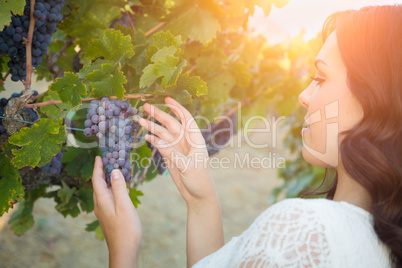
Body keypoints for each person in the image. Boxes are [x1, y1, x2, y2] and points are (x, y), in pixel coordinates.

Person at [91, 5, 402, 268]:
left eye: (320, 77)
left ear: (376, 98)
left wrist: (123, 248)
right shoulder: (384, 241)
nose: (304, 96)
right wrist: (201, 200)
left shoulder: (306, 230)